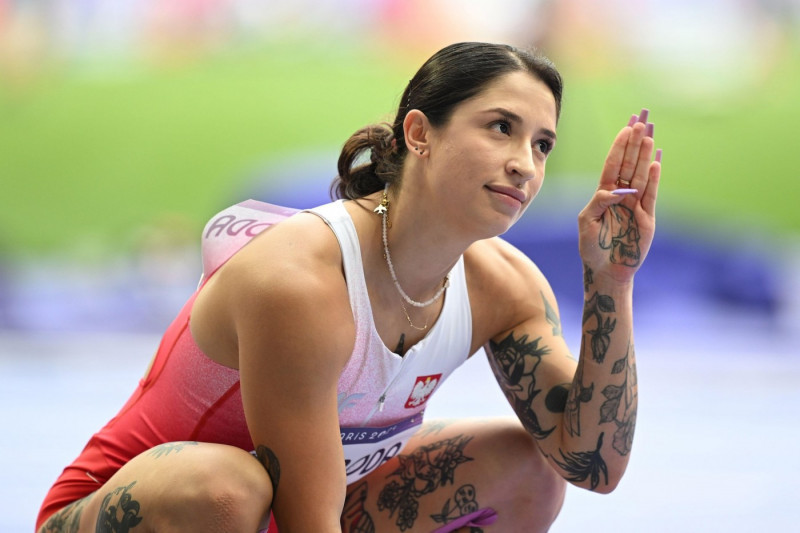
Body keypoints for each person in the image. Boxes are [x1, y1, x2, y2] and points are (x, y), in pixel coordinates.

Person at [36, 41, 661, 533]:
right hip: (141, 511)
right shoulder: (302, 280)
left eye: (542, 143)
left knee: (529, 470)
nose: (526, 163)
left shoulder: (507, 286)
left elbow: (593, 463)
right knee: (228, 489)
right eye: (501, 127)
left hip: (301, 511)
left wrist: (611, 283)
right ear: (419, 134)